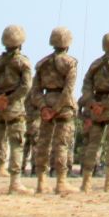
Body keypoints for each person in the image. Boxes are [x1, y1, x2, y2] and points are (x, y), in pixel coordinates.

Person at [0, 25, 34, 194]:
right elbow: (26, 86)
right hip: (14, 107)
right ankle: (15, 183)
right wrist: (9, 99)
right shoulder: (23, 62)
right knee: (16, 144)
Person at [78, 31, 109, 193]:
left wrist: (93, 104)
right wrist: (106, 104)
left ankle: (86, 182)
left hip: (96, 110)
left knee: (93, 145)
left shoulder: (95, 64)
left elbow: (86, 86)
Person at [31, 26, 78, 196]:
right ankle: (61, 182)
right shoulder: (70, 63)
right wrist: (56, 109)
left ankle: (41, 182)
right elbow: (68, 90)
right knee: (62, 144)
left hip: (46, 104)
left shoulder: (42, 64)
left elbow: (34, 90)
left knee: (43, 143)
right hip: (63, 106)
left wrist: (44, 107)